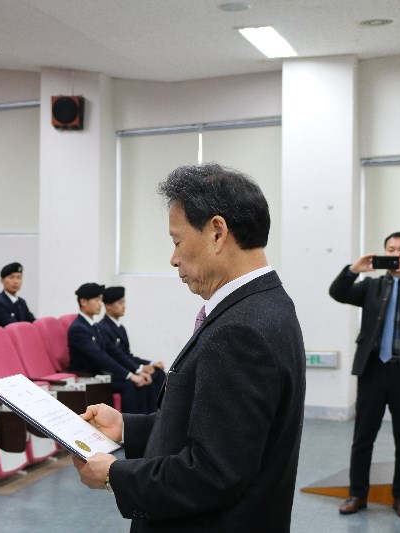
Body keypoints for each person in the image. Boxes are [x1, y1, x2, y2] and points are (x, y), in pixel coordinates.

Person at [72, 163, 305, 533]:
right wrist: (127, 427)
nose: (173, 258)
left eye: (177, 241)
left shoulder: (240, 330)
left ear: (217, 232)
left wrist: (115, 474)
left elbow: (213, 473)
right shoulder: (267, 304)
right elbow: (215, 427)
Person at [329, 231, 400, 519]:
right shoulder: (372, 286)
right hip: (373, 370)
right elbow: (337, 292)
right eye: (391, 249)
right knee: (363, 437)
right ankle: (357, 494)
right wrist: (354, 269)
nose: (396, 254)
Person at [67, 282, 153, 415]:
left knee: (140, 381)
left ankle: (147, 420)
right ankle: (130, 424)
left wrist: (136, 371)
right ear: (83, 302)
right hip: (87, 376)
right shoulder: (79, 328)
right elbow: (100, 356)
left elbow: (113, 351)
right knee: (130, 384)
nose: (100, 304)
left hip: (101, 374)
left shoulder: (94, 327)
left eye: (100, 300)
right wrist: (129, 375)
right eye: (97, 300)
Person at [98, 286, 165, 411]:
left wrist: (150, 363)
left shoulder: (120, 328)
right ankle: (139, 419)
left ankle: (158, 413)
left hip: (127, 368)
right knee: (139, 381)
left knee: (158, 373)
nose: (123, 306)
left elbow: (127, 355)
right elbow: (116, 356)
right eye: (119, 303)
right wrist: (139, 369)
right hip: (114, 372)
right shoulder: (102, 328)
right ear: (108, 305)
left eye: (124, 302)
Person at [0, 262, 36, 326]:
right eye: (11, 277)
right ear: (2, 281)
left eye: (19, 277)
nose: (15, 281)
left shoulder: (21, 302)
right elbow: (13, 327)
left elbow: (32, 321)